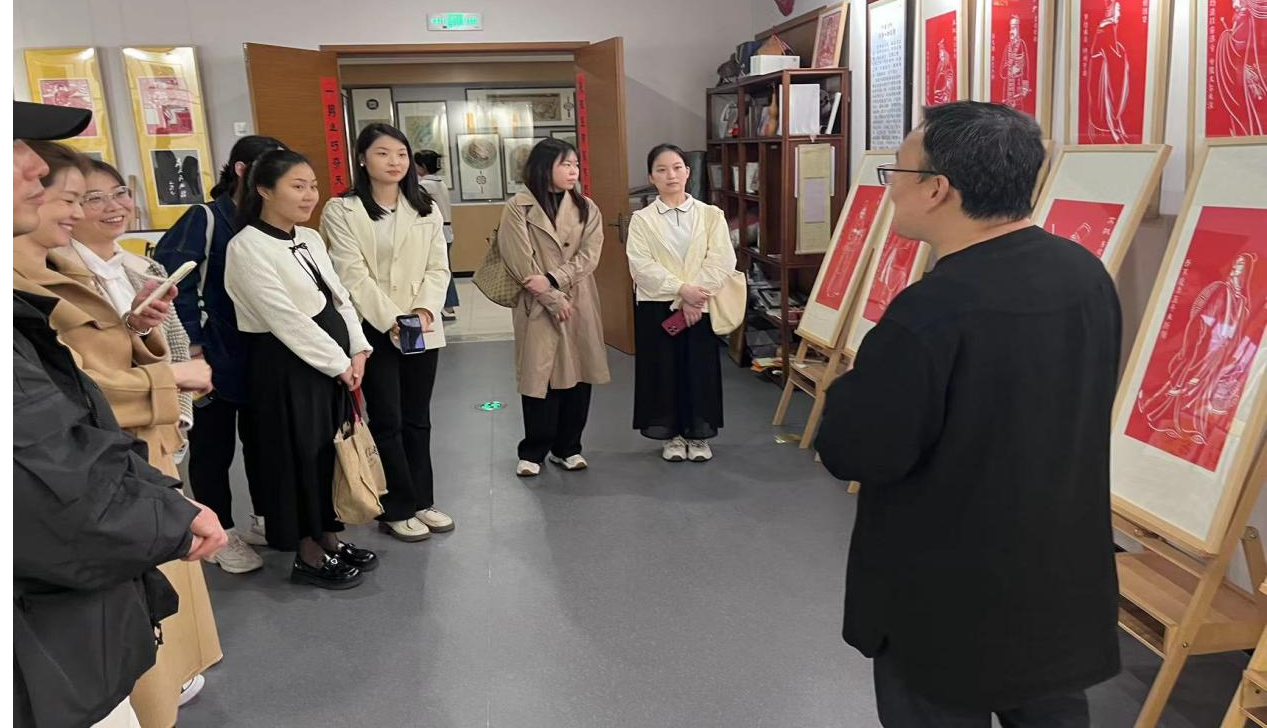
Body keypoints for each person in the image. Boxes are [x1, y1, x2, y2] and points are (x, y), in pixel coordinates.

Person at [814, 101, 1121, 727]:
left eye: (897, 174)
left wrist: (849, 388)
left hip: (944, 597)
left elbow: (858, 450)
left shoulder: (930, 311)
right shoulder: (1085, 275)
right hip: (1056, 578)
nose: (890, 190)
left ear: (937, 189)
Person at [12, 100, 226, 728]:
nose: (33, 170)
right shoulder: (39, 280)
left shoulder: (84, 268)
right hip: (94, 526)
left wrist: (137, 327)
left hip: (127, 476)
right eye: (72, 197)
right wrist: (166, 512)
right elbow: (56, 458)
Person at [225, 149, 378, 589]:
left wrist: (358, 349)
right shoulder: (246, 247)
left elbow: (340, 298)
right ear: (263, 190)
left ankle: (328, 536)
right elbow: (284, 319)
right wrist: (339, 363)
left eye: (312, 185)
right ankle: (306, 552)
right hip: (285, 369)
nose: (309, 195)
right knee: (296, 458)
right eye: (297, 186)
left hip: (330, 368)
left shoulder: (309, 238)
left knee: (328, 451)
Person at [155, 135, 286, 574]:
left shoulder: (269, 221)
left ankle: (264, 518)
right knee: (213, 448)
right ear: (244, 170)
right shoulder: (205, 218)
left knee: (264, 441)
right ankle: (220, 534)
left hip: (262, 353)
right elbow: (173, 285)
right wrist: (192, 348)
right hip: (212, 354)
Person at [322, 125, 455, 542]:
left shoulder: (425, 206)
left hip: (421, 326)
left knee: (418, 417)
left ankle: (422, 499)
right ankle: (396, 506)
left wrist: (423, 309)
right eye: (382, 153)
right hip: (373, 327)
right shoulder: (341, 210)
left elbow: (438, 267)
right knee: (387, 418)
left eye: (401, 153)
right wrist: (392, 318)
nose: (394, 162)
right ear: (362, 159)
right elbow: (350, 274)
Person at [498, 138, 611, 477]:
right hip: (536, 303)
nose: (573, 171)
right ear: (543, 167)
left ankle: (568, 448)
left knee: (579, 373)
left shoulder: (587, 207)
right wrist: (550, 296)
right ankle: (533, 450)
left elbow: (590, 255)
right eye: (565, 164)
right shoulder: (518, 207)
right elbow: (518, 259)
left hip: (579, 300)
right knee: (539, 375)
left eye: (575, 164)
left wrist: (553, 279)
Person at [70, 159, 196, 462]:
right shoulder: (59, 274)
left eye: (120, 193)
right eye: (95, 198)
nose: (114, 206)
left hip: (158, 429)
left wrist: (177, 418)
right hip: (98, 437)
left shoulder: (147, 267)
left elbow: (178, 345)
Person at [625, 144, 735, 463]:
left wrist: (695, 296)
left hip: (700, 305)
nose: (670, 175)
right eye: (661, 170)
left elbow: (722, 259)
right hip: (658, 306)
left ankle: (698, 434)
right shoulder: (642, 219)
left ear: (688, 172)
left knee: (699, 370)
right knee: (663, 371)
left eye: (676, 168)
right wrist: (683, 290)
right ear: (651, 177)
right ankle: (671, 435)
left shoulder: (711, 215)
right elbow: (640, 265)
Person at [415, 149, 459, 320]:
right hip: (446, 231)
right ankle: (448, 306)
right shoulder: (440, 183)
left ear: (423, 166)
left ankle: (447, 306)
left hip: (437, 232)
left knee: (439, 270)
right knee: (444, 268)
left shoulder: (425, 185)